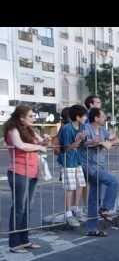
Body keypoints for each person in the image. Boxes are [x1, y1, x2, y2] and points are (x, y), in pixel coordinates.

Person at [4, 105, 48, 253]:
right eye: (31, 116)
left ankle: (24, 240)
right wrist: (39, 147)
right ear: (21, 117)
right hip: (19, 172)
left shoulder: (30, 130)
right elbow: (19, 145)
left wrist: (45, 141)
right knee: (19, 208)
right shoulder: (13, 129)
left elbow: (42, 144)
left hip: (32, 171)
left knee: (27, 208)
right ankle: (14, 243)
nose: (33, 118)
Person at [80, 108, 119, 237]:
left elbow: (116, 140)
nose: (105, 119)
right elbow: (85, 142)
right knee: (113, 181)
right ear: (96, 118)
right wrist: (102, 142)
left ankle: (92, 228)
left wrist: (108, 142)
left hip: (99, 165)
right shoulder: (86, 128)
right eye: (103, 116)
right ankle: (105, 208)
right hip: (89, 165)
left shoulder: (103, 130)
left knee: (93, 197)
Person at [58, 105, 88, 227]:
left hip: (77, 160)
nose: (86, 118)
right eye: (84, 116)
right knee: (70, 187)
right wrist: (78, 140)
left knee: (80, 184)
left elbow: (83, 144)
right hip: (68, 161)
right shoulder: (66, 129)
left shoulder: (82, 127)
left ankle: (75, 208)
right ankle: (68, 212)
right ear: (77, 117)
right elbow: (66, 148)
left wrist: (84, 140)